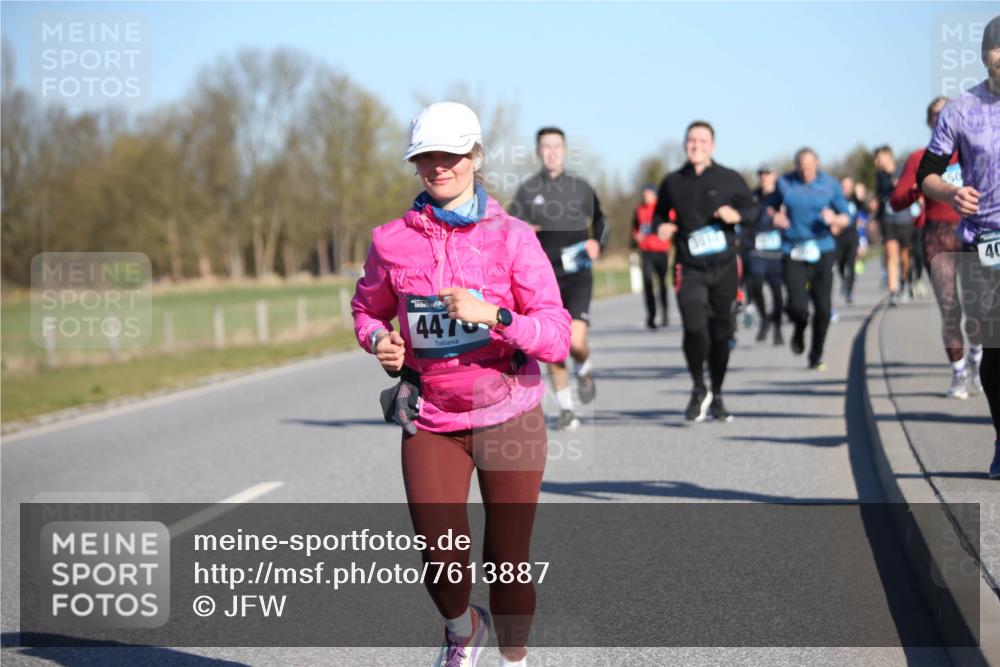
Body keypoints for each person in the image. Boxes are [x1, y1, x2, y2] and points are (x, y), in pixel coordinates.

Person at [352, 101, 572, 666]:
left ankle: (514, 658)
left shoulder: (514, 238)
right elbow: (367, 310)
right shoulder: (390, 241)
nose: (438, 166)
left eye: (450, 154)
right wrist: (379, 341)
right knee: (440, 555)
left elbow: (556, 336)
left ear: (475, 155)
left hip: (509, 413)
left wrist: (494, 316)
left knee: (507, 560)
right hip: (431, 417)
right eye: (425, 157)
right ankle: (461, 631)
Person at [918, 14, 1000, 478]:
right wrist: (951, 192)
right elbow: (924, 175)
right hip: (986, 242)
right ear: (986, 57)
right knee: (996, 352)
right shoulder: (961, 109)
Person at [653, 120, 758, 422]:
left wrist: (736, 214)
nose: (696, 145)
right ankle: (699, 387)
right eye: (691, 140)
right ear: (685, 144)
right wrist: (661, 225)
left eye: (702, 141)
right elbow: (659, 213)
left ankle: (718, 394)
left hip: (724, 267)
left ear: (712, 145)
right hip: (690, 267)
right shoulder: (673, 181)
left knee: (720, 333)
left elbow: (753, 211)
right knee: (694, 328)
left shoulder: (729, 178)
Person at [509, 127, 608, 431]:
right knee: (553, 344)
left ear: (564, 150)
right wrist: (525, 228)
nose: (551, 152)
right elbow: (509, 229)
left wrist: (597, 244)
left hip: (577, 275)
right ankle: (566, 407)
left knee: (576, 342)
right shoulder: (527, 190)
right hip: (543, 279)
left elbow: (602, 221)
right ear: (539, 151)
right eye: (545, 147)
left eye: (557, 146)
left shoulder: (579, 187)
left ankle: (585, 366)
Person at [892, 96, 981, 399]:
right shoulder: (919, 159)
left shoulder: (975, 150)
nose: (942, 117)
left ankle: (978, 360)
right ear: (930, 121)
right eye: (936, 114)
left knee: (978, 309)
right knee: (950, 309)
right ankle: (958, 373)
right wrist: (917, 188)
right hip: (938, 236)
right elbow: (896, 200)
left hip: (973, 234)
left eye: (948, 112)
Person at [771, 148, 850, 371]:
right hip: (793, 249)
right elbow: (769, 207)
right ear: (795, 165)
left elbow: (847, 216)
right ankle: (799, 326)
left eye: (809, 166)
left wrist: (835, 218)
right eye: (801, 166)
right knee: (797, 306)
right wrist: (775, 216)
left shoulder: (830, 184)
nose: (805, 171)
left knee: (823, 308)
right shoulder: (784, 183)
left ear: (817, 163)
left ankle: (816, 354)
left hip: (822, 248)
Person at [744, 165, 785, 344]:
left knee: (777, 292)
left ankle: (777, 327)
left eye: (767, 173)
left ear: (774, 175)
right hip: (756, 248)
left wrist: (779, 214)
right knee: (755, 285)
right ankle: (764, 318)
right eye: (760, 174)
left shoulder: (782, 196)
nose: (763, 177)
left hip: (777, 251)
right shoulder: (753, 196)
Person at [875, 145, 919, 306]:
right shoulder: (880, 176)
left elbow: (913, 186)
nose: (877, 161)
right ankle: (893, 291)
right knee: (891, 255)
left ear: (888, 156)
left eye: (879, 157)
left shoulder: (903, 169)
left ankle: (906, 282)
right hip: (888, 220)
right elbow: (879, 194)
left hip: (905, 219)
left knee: (904, 255)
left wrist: (901, 184)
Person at [632, 184, 672, 329]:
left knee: (661, 283)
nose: (646, 196)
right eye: (644, 194)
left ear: (655, 195)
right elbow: (635, 228)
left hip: (661, 251)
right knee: (648, 283)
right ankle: (651, 316)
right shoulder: (639, 209)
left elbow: (672, 224)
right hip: (646, 251)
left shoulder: (662, 208)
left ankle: (665, 314)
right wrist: (636, 235)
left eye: (648, 193)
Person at [836, 177, 862, 305]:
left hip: (852, 236)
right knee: (840, 265)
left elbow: (866, 211)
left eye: (848, 186)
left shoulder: (855, 200)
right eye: (843, 186)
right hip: (838, 237)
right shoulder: (835, 200)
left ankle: (849, 291)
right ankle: (844, 280)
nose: (845, 188)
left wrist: (861, 197)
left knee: (851, 265)